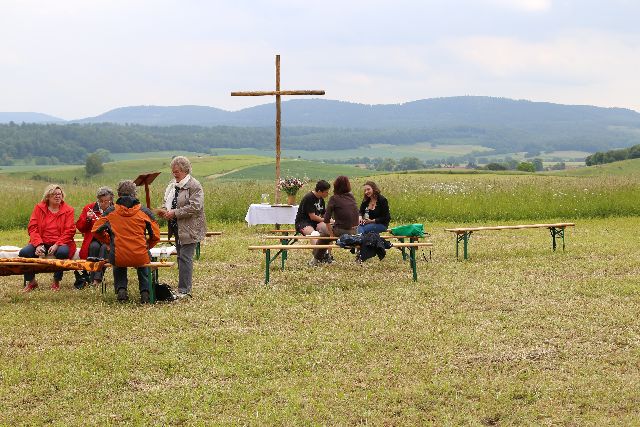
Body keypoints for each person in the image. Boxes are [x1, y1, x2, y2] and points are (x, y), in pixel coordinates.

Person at [92, 180, 160, 303]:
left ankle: (121, 290)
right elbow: (156, 236)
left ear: (118, 195)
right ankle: (145, 292)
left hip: (119, 256)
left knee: (117, 256)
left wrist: (108, 242)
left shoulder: (110, 212)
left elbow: (95, 230)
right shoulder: (145, 212)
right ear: (135, 194)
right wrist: (146, 246)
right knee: (144, 258)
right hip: (140, 255)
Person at [158, 156, 206, 298]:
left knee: (185, 257)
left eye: (177, 171)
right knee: (180, 257)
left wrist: (175, 213)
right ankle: (183, 287)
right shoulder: (173, 186)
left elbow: (195, 207)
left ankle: (184, 290)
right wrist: (163, 210)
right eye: (173, 171)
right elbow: (168, 202)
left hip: (190, 227)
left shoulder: (194, 185)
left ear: (185, 170)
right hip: (177, 227)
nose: (174, 174)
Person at [20, 184, 77, 292]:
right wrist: (38, 244)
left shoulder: (69, 210)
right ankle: (31, 282)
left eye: (59, 194)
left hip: (61, 242)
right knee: (24, 252)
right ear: (48, 197)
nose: (57, 196)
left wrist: (57, 244)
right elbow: (32, 228)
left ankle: (56, 281)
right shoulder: (39, 208)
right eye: (54, 194)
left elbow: (69, 231)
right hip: (42, 242)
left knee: (63, 252)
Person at [75, 186, 114, 288]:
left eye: (107, 201)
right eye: (101, 201)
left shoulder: (116, 209)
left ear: (111, 200)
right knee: (94, 247)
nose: (104, 203)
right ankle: (92, 279)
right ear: (98, 200)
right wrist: (87, 219)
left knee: (105, 248)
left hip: (110, 240)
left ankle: (96, 279)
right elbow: (80, 228)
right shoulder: (89, 208)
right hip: (94, 239)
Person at [314, 176, 359, 265]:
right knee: (324, 237)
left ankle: (315, 260)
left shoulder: (334, 198)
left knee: (322, 230)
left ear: (336, 186)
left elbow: (326, 220)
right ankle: (317, 259)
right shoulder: (351, 197)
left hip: (341, 230)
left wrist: (331, 235)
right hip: (354, 231)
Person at [295, 180, 331, 262]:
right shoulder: (309, 198)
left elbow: (323, 214)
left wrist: (330, 221)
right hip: (303, 222)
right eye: (326, 192)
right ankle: (318, 256)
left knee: (328, 230)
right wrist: (326, 220)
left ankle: (328, 254)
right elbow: (313, 217)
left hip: (315, 223)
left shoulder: (321, 199)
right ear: (319, 191)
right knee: (314, 234)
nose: (327, 194)